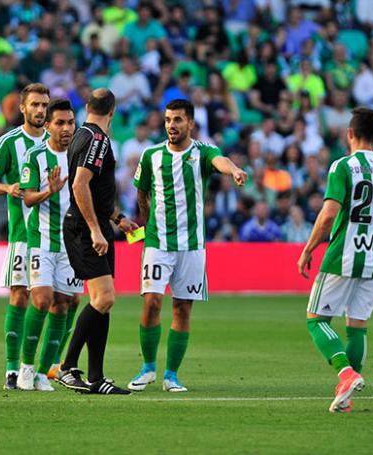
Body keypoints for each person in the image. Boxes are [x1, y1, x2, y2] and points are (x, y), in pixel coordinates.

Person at [128, 99, 247, 392]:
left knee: (182, 309)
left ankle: (171, 375)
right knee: (152, 302)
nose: (171, 125)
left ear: (190, 124)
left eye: (178, 119)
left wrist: (233, 171)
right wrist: (146, 224)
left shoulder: (202, 152)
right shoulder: (151, 155)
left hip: (192, 246)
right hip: (158, 243)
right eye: (168, 119)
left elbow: (222, 161)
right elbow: (141, 193)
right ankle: (147, 368)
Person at [297, 107, 373, 413]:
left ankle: (346, 374)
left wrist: (308, 249)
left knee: (316, 319)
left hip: (344, 254)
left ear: (349, 134)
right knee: (357, 326)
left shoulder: (342, 166)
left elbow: (329, 213)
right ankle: (347, 395)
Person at [55, 88, 138, 395]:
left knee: (101, 303)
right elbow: (80, 185)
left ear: (87, 107)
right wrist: (95, 229)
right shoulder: (98, 140)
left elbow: (95, 190)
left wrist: (116, 219)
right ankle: (66, 367)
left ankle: (96, 377)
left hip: (95, 223)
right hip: (84, 228)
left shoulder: (80, 135)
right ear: (112, 111)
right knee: (105, 299)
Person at [0, 83, 51, 390]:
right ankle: (12, 368)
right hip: (23, 234)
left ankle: (41, 368)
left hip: (54, 237)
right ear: (22, 108)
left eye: (44, 105)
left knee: (55, 301)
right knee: (20, 296)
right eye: (34, 104)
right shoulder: (9, 142)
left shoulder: (57, 141)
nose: (39, 110)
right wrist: (7, 188)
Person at [17, 99, 83, 392]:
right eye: (60, 123)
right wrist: (49, 191)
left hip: (73, 241)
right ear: (47, 126)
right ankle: (26, 367)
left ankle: (45, 371)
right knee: (42, 299)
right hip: (42, 240)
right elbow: (27, 197)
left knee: (65, 303)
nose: (67, 128)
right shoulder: (35, 156)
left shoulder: (82, 156)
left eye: (70, 122)